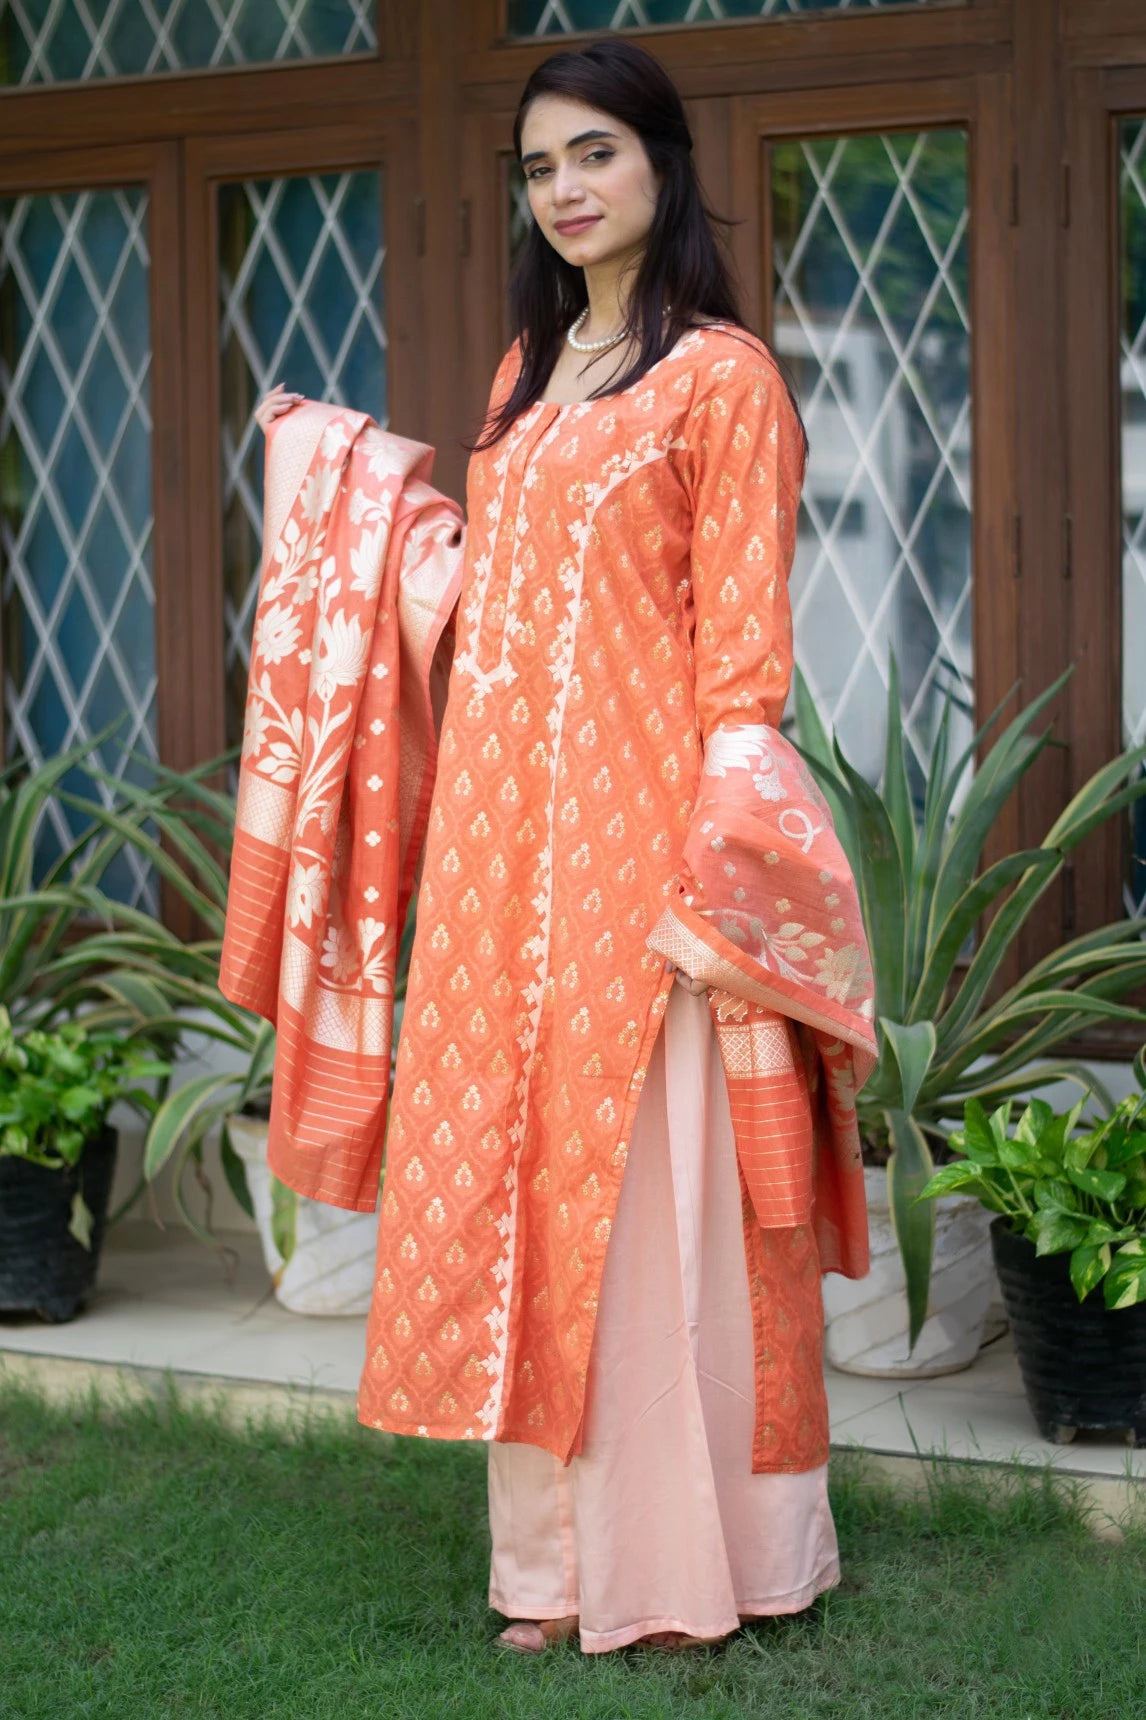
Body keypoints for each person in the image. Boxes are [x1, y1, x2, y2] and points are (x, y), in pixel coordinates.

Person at [254, 36, 874, 1657]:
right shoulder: (526, 381)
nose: (566, 191)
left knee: (645, 1216)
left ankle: (693, 1565)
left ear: (659, 164)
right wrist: (364, 509)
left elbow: (739, 649)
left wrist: (721, 871)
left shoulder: (720, 378)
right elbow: (497, 608)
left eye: (594, 153)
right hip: (493, 855)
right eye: (540, 168)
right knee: (522, 1203)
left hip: (642, 861)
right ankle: (549, 1570)